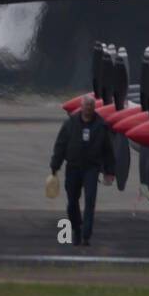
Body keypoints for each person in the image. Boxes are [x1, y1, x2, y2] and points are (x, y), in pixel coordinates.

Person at [50, 94, 116, 246]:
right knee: (72, 200)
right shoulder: (71, 123)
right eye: (86, 105)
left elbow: (108, 150)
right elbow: (60, 144)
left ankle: (86, 235)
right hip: (73, 167)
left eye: (91, 106)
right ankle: (77, 228)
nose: (89, 108)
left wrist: (110, 171)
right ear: (82, 106)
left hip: (92, 168)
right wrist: (55, 165)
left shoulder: (101, 125)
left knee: (90, 200)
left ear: (94, 107)